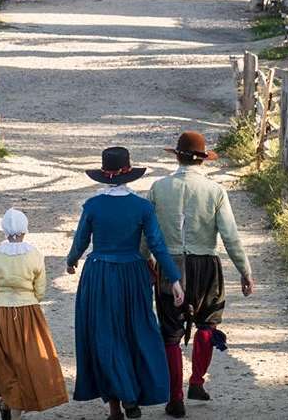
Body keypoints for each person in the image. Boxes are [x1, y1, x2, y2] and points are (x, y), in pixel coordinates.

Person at [66, 147, 184, 420]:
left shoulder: (93, 206)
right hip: (133, 274)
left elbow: (81, 240)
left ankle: (116, 406)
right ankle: (133, 395)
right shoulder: (142, 207)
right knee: (135, 333)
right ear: (129, 174)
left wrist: (71, 261)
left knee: (105, 335)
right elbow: (157, 245)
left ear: (104, 176)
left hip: (100, 274)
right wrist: (174, 279)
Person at [147, 131, 254, 417]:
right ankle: (196, 381)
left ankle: (176, 397)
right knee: (207, 322)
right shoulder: (215, 191)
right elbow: (230, 236)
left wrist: (145, 262)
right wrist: (244, 269)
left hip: (170, 265)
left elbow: (148, 232)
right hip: (206, 263)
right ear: (202, 160)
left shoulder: (159, 188)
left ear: (177, 156)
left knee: (170, 331)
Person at [0, 208, 69, 418]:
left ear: (5, 230)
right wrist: (31, 300)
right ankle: (14, 406)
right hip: (28, 311)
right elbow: (41, 289)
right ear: (25, 230)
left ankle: (8, 402)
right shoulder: (34, 254)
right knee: (27, 361)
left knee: (4, 360)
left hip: (0, 311)